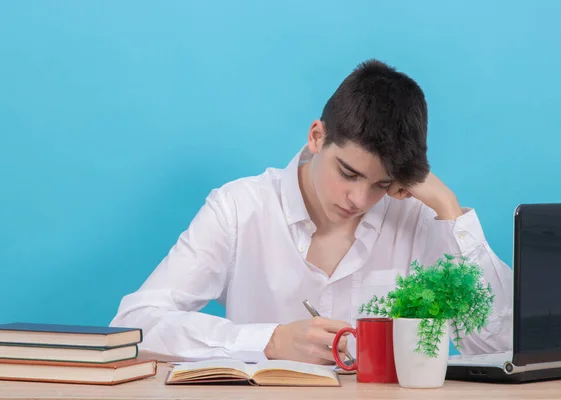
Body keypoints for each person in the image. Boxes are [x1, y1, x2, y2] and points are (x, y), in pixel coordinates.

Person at [110, 59, 513, 364]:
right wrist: (269, 341)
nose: (359, 199)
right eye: (348, 173)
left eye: (381, 184)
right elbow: (134, 325)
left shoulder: (417, 218)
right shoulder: (239, 209)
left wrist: (448, 208)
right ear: (317, 136)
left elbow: (505, 347)